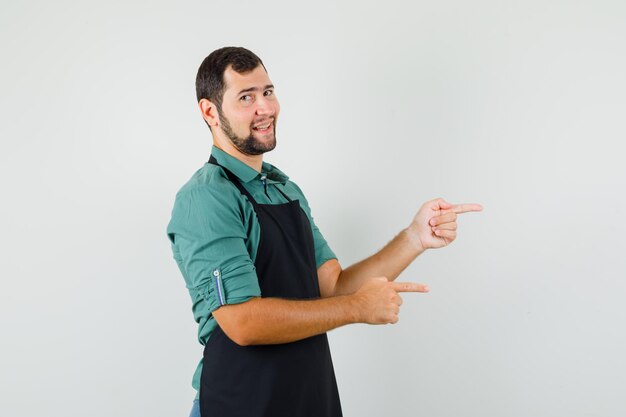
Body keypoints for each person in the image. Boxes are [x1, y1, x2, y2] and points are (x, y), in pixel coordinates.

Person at [166, 46, 482, 417]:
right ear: (210, 112)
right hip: (239, 403)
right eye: (246, 97)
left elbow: (332, 286)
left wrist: (414, 238)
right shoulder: (206, 198)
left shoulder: (284, 189)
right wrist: (357, 308)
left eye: (268, 92)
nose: (264, 108)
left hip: (306, 400)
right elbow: (242, 322)